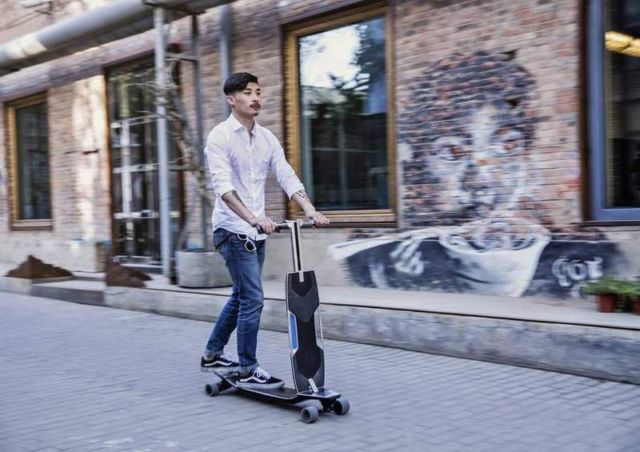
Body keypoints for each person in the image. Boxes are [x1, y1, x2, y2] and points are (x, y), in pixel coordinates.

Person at [200, 72, 329, 389]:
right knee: (253, 299)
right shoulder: (220, 137)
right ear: (232, 100)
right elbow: (223, 187)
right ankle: (247, 368)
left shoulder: (267, 138)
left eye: (258, 91)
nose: (256, 97)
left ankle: (213, 353)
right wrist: (252, 218)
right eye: (247, 92)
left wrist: (309, 209)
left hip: (256, 233)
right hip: (232, 231)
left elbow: (286, 175)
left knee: (242, 296)